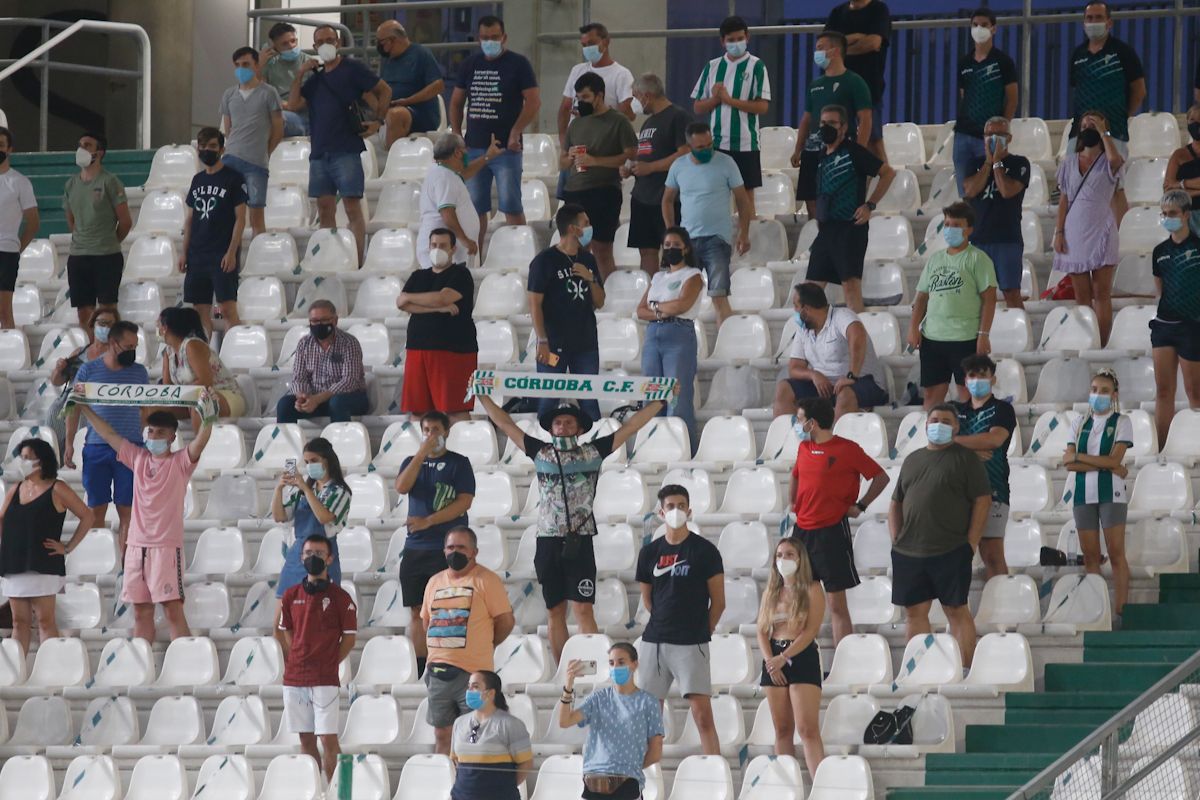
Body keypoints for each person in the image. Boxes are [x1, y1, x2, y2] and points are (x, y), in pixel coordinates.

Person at [480, 396, 668, 663]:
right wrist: (481, 397)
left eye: (569, 422)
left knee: (582, 609)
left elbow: (630, 428)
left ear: (580, 429)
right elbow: (505, 423)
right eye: (558, 423)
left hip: (580, 540)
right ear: (550, 428)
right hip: (547, 540)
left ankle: (591, 666)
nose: (563, 427)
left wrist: (659, 404)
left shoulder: (593, 452)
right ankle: (563, 670)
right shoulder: (540, 452)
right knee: (554, 610)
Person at [77, 406, 212, 642]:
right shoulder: (138, 457)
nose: (154, 437)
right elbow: (109, 435)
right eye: (151, 431)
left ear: (172, 437)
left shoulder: (180, 462)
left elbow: (200, 442)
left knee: (172, 610)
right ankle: (144, 668)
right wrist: (83, 407)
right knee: (141, 612)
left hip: (166, 547)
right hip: (136, 546)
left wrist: (209, 417)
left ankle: (186, 664)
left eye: (160, 433)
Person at [890, 405, 990, 666]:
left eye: (946, 421)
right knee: (914, 614)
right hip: (909, 552)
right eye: (934, 420)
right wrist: (895, 540)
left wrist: (971, 543)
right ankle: (920, 669)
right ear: (926, 425)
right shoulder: (912, 459)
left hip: (951, 549)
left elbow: (983, 500)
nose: (939, 424)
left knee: (956, 611)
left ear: (956, 427)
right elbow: (896, 502)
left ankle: (965, 670)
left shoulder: (966, 459)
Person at [788, 396, 889, 644]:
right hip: (802, 532)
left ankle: (846, 658)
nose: (797, 425)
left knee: (836, 604)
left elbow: (880, 477)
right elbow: (796, 475)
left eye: (800, 420)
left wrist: (861, 505)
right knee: (799, 602)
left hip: (831, 532)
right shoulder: (803, 448)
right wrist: (793, 502)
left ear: (812, 423)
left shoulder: (847, 449)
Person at [289, 25, 391, 265]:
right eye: (320, 41)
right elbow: (294, 104)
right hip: (319, 152)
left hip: (346, 148)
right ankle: (330, 256)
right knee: (325, 208)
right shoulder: (315, 80)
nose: (325, 44)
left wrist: (378, 120)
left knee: (352, 206)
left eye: (329, 40)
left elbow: (384, 90)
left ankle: (355, 258)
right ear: (314, 47)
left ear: (338, 42)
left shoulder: (353, 68)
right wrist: (300, 73)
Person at [636, 485, 725, 756]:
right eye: (670, 506)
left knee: (701, 715)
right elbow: (648, 600)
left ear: (689, 510)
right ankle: (647, 782)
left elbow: (718, 603)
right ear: (662, 513)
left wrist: (700, 630)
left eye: (681, 505)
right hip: (655, 642)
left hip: (691, 643)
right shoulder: (649, 553)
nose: (676, 511)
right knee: (650, 719)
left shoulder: (706, 551)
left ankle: (715, 772)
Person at [422, 526, 515, 754]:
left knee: (474, 735)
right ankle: (446, 784)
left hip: (473, 674)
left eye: (461, 547)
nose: (455, 552)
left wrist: (487, 644)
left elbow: (505, 621)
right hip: (438, 673)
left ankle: (471, 785)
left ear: (474, 551)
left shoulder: (486, 580)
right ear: (444, 551)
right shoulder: (434, 582)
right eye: (451, 547)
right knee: (442, 734)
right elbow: (427, 622)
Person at [396, 411, 475, 676]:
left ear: (447, 432)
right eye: (427, 430)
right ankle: (422, 668)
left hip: (448, 549)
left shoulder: (459, 463)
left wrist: (429, 521)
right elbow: (401, 487)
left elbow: (464, 502)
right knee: (418, 611)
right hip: (415, 547)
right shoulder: (411, 461)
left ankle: (449, 665)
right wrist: (421, 454)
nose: (431, 435)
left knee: (449, 609)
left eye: (436, 430)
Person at [451, 15, 541, 243]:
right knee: (474, 208)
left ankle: (520, 252)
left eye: (494, 37)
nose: (489, 41)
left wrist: (516, 130)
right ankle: (476, 256)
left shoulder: (518, 64)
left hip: (506, 149)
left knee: (511, 205)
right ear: (478, 39)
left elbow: (533, 101)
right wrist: (456, 134)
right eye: (484, 38)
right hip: (474, 147)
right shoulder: (470, 64)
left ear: (504, 38)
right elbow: (456, 102)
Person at [0, 439, 92, 655]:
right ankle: (17, 669)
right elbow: (2, 518)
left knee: (45, 620)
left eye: (27, 457)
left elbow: (87, 516)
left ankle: (53, 666)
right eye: (21, 457)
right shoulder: (16, 489)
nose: (21, 462)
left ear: (41, 461)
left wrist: (67, 547)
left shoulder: (57, 487)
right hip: (15, 562)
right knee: (18, 621)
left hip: (44, 562)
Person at [278, 533, 357, 781]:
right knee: (305, 738)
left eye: (319, 554)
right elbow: (286, 630)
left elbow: (350, 639)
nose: (313, 558)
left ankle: (341, 793)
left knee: (328, 739)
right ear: (301, 557)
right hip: (294, 678)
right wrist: (297, 655)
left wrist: (330, 660)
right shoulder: (290, 595)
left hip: (324, 678)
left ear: (330, 558)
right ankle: (315, 789)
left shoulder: (341, 597)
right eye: (309, 553)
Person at [64, 320, 148, 549]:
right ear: (113, 343)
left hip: (130, 448)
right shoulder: (88, 370)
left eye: (135, 347)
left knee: (127, 510)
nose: (132, 351)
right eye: (128, 346)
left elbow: (145, 408)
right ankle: (97, 558)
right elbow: (74, 407)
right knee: (96, 508)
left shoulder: (139, 372)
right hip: (96, 447)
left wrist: (140, 436)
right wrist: (69, 443)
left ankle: (125, 566)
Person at [805, 104, 895, 313]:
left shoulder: (854, 152)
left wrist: (869, 205)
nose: (826, 127)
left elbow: (888, 173)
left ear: (844, 127)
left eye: (832, 123)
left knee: (850, 287)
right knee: (810, 289)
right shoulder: (818, 155)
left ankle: (859, 340)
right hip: (826, 229)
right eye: (823, 123)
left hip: (850, 229)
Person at [662, 121, 752, 325]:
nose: (707, 150)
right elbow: (667, 199)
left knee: (719, 296)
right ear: (689, 147)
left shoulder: (726, 163)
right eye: (701, 147)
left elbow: (742, 200)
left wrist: (744, 232)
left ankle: (727, 345)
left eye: (710, 145)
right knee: (680, 296)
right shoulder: (678, 166)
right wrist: (671, 232)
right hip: (687, 242)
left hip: (717, 240)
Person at [909, 201, 998, 409]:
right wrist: (913, 328)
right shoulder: (935, 260)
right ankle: (933, 439)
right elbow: (921, 297)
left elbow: (990, 298)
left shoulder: (978, 259)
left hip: (964, 338)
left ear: (969, 229)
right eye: (947, 224)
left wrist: (983, 335)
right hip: (932, 338)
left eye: (956, 225)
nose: (950, 229)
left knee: (968, 394)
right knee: (931, 396)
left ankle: (969, 439)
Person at [527, 204, 606, 421]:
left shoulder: (588, 259)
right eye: (586, 224)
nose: (590, 227)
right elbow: (534, 303)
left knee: (589, 400)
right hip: (553, 343)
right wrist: (542, 340)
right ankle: (543, 449)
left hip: (585, 344)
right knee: (548, 399)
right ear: (573, 229)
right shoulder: (545, 261)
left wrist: (590, 279)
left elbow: (600, 301)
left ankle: (596, 447)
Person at [1053, 110, 1125, 347]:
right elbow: (1064, 200)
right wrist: (1059, 232)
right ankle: (1088, 340)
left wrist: (1103, 131)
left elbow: (1117, 160)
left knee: (1101, 293)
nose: (1088, 129)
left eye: (1093, 125)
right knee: (1082, 296)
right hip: (1074, 231)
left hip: (1102, 229)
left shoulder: (1109, 162)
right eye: (1085, 125)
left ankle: (1103, 344)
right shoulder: (1069, 163)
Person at [558, 643, 664, 800]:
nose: (615, 667)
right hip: (594, 780)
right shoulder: (598, 699)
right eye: (611, 663)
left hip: (628, 782)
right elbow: (565, 721)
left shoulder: (648, 702)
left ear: (634, 665)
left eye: (621, 662)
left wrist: (629, 767)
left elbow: (656, 751)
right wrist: (569, 685)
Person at [1065, 369, 1132, 618]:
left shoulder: (1121, 422)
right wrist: (1110, 465)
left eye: (1104, 391)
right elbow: (1068, 464)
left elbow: (1115, 458)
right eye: (1094, 390)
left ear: (1114, 394)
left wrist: (1080, 456)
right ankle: (1098, 610)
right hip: (1082, 494)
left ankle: (1122, 609)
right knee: (1090, 556)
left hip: (1111, 494)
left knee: (1115, 553)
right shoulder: (1078, 422)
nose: (1098, 395)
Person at [756, 537, 825, 777]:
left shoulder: (813, 588)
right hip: (773, 659)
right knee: (782, 729)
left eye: (789, 554)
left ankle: (820, 786)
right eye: (779, 555)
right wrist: (770, 661)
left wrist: (784, 657)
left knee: (807, 729)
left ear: (800, 559)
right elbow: (762, 630)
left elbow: (811, 630)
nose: (783, 559)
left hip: (800, 655)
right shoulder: (771, 591)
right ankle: (788, 787)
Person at [271, 437, 352, 643]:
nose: (309, 466)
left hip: (322, 554)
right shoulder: (301, 491)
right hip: (297, 555)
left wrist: (306, 489)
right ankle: (289, 669)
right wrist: (279, 489)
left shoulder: (339, 491)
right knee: (280, 623)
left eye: (313, 460)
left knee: (315, 623)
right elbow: (280, 516)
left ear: (327, 460)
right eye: (306, 462)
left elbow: (324, 517)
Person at [691, 15, 771, 219]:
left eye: (739, 38)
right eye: (731, 40)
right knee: (714, 198)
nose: (736, 43)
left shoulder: (757, 66)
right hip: (716, 143)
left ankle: (748, 243)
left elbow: (762, 107)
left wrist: (729, 100)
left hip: (746, 143)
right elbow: (698, 107)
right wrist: (716, 100)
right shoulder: (712, 66)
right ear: (722, 41)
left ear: (748, 37)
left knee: (745, 199)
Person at [561, 72, 638, 279]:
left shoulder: (618, 121)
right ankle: (579, 293)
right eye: (578, 98)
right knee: (575, 248)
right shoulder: (575, 124)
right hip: (575, 190)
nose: (581, 102)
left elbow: (630, 154)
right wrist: (568, 158)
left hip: (604, 190)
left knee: (602, 249)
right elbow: (562, 161)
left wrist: (597, 161)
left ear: (599, 95)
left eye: (585, 98)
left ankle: (608, 293)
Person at [773, 282, 888, 420]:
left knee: (845, 394)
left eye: (796, 306)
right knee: (783, 389)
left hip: (863, 381)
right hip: (825, 387)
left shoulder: (842, 316)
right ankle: (794, 440)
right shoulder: (803, 329)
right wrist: (813, 375)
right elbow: (794, 368)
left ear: (806, 309)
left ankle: (833, 440)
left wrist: (852, 376)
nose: (795, 311)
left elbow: (857, 336)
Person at [790, 31, 872, 219]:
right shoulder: (815, 85)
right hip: (813, 149)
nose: (816, 53)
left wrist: (859, 151)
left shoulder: (854, 82)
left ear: (834, 51)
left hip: (841, 150)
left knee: (841, 197)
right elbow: (806, 118)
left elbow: (865, 118)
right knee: (810, 196)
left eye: (820, 48)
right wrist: (798, 148)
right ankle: (817, 237)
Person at [399, 229, 479, 420]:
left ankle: (458, 448)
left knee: (455, 409)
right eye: (434, 245)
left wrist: (413, 298)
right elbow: (402, 303)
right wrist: (437, 308)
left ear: (453, 249)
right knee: (418, 410)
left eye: (443, 245)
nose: (437, 249)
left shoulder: (461, 274)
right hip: (417, 348)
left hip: (454, 349)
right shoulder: (418, 276)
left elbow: (443, 297)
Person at [636, 227, 703, 445]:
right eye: (667, 246)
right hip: (653, 334)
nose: (671, 249)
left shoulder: (693, 275)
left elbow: (683, 305)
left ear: (686, 248)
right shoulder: (657, 276)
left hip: (679, 333)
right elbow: (640, 310)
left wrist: (655, 308)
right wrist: (662, 310)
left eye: (676, 245)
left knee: (677, 396)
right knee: (652, 394)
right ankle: (654, 446)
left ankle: (683, 448)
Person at [954, 354, 1018, 580]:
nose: (977, 380)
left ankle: (1004, 610)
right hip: (958, 493)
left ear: (993, 379)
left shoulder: (1002, 409)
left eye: (983, 375)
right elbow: (938, 442)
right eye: (972, 375)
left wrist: (955, 443)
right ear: (965, 379)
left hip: (994, 489)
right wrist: (970, 449)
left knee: (992, 555)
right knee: (956, 555)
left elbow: (994, 440)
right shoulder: (953, 410)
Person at [180, 126, 247, 336]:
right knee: (200, 311)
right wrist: (184, 251)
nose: (206, 150)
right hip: (197, 253)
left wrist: (231, 252)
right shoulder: (197, 180)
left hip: (221, 252)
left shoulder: (233, 178)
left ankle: (233, 353)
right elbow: (190, 219)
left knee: (227, 308)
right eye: (202, 146)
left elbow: (240, 219)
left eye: (212, 146)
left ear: (221, 149)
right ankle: (205, 358)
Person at [63, 131, 132, 333]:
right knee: (83, 310)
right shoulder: (71, 184)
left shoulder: (110, 182)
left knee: (107, 309)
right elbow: (72, 220)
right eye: (80, 144)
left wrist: (109, 241)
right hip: (78, 256)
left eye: (87, 145)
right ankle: (91, 349)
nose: (81, 149)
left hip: (106, 256)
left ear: (99, 153)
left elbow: (125, 221)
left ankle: (111, 350)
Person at [622, 74, 690, 275]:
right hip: (643, 196)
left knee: (672, 250)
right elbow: (647, 155)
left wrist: (651, 168)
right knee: (646, 250)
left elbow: (684, 153)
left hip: (667, 197)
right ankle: (651, 291)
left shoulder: (678, 117)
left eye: (635, 96)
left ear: (646, 95)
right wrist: (632, 168)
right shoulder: (648, 123)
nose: (634, 102)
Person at [963, 116, 1029, 311]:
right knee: (977, 294)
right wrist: (987, 163)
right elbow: (970, 190)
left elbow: (1007, 190)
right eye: (989, 134)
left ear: (1008, 138)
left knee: (1011, 293)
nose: (993, 139)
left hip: (1007, 239)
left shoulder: (1019, 163)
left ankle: (1020, 333)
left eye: (999, 135)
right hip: (978, 238)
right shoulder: (973, 163)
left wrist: (998, 163)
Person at [1151, 190, 1200, 448]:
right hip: (1164, 326)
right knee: (1163, 391)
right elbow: (1160, 291)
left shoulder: (1198, 246)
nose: (1167, 218)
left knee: (1195, 393)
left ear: (1185, 215)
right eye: (1164, 214)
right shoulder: (1159, 251)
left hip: (1192, 326)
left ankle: (1195, 443)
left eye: (1172, 214)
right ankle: (1162, 447)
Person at [953, 8, 1019, 197]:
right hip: (963, 135)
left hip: (990, 137)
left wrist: (1002, 131)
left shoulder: (1003, 61)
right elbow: (964, 95)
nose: (979, 28)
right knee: (965, 192)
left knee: (988, 190)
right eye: (975, 25)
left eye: (984, 25)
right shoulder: (964, 63)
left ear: (994, 29)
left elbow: (1012, 98)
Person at [1067, 2, 1145, 161]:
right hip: (1079, 133)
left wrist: (1121, 115)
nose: (1093, 22)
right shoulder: (1078, 55)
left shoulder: (1123, 52)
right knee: (1072, 181)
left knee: (1112, 180)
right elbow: (1077, 89)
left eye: (1098, 17)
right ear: (1084, 23)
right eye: (1089, 18)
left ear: (1109, 22)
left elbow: (1139, 90)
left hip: (1114, 130)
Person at [219, 46, 283, 238]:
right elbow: (228, 129)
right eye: (237, 65)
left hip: (256, 163)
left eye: (246, 64)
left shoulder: (269, 93)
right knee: (228, 216)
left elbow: (278, 129)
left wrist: (266, 151)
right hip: (230, 160)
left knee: (256, 217)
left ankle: (258, 257)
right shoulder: (228, 95)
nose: (241, 68)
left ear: (256, 65)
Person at [416, 133, 503, 269]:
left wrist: (488, 156)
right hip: (443, 250)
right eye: (465, 152)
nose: (466, 155)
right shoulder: (444, 177)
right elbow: (447, 212)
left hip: (446, 250)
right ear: (457, 153)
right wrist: (465, 240)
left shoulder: (444, 172)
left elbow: (465, 173)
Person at [277, 300, 369, 423]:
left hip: (350, 398)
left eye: (324, 320)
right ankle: (286, 442)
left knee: (337, 403)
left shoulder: (349, 343)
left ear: (335, 321)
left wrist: (318, 399)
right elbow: (299, 377)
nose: (319, 325)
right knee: (284, 405)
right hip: (315, 398)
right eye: (314, 321)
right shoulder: (304, 344)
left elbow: (349, 382)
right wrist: (302, 397)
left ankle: (339, 441)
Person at [450, 670, 533, 800]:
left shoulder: (510, 724)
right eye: (469, 686)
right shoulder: (459, 723)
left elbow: (526, 763)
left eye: (475, 686)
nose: (470, 690)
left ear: (491, 693)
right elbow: (456, 760)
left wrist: (504, 788)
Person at [826, 0, 893, 160]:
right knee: (839, 138)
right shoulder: (837, 13)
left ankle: (884, 180)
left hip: (869, 87)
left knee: (873, 141)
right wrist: (857, 37)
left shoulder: (878, 9)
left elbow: (873, 43)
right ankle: (860, 182)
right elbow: (826, 47)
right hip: (840, 88)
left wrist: (841, 48)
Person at [157, 307, 246, 420]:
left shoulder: (192, 345)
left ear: (166, 328)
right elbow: (168, 387)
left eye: (158, 325)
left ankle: (201, 438)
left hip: (222, 394)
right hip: (189, 399)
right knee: (156, 410)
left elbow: (205, 382)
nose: (157, 329)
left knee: (199, 404)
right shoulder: (167, 352)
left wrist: (181, 395)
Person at [557, 22, 636, 143]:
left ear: (606, 42)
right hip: (577, 140)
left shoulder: (622, 74)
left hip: (604, 141)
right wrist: (563, 142)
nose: (587, 48)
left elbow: (627, 115)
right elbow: (565, 108)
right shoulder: (577, 70)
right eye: (584, 45)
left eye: (591, 43)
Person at [374, 20, 444, 150]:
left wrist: (407, 101)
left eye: (381, 43)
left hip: (419, 112)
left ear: (393, 40)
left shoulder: (421, 54)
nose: (379, 47)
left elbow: (437, 85)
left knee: (396, 115)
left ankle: (393, 159)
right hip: (390, 107)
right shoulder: (387, 61)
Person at [0, 125, 38, 330]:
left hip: (6, 250)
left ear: (9, 149)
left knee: (4, 311)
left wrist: (16, 248)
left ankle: (8, 354)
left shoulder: (19, 182)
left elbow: (33, 222)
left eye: (1, 145)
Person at [259, 22, 311, 136]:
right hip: (276, 111)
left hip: (301, 117)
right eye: (284, 44)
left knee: (274, 119)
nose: (291, 46)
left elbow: (298, 105)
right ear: (274, 46)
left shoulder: (308, 64)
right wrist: (260, 64)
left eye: (293, 41)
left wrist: (282, 105)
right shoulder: (270, 64)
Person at [50, 307, 119, 388]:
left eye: (111, 325)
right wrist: (59, 369)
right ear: (93, 324)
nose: (106, 328)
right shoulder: (79, 352)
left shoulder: (118, 355)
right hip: (73, 398)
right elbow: (56, 382)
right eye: (102, 323)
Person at [1162, 104, 1200, 233]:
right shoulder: (1179, 155)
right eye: (1192, 120)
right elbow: (1168, 191)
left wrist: (1182, 185)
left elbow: (1174, 186)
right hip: (1185, 217)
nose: (1196, 124)